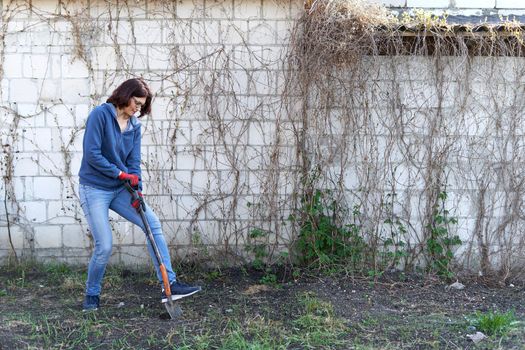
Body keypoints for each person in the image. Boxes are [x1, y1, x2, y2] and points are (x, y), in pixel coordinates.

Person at [78, 78, 201, 311]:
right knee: (104, 245)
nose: (138, 108)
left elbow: (133, 163)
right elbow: (92, 155)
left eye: (142, 106)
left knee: (152, 224)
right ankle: (92, 295)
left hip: (119, 188)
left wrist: (138, 190)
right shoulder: (100, 116)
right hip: (93, 188)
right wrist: (121, 175)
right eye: (136, 102)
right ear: (124, 96)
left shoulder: (134, 126)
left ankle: (170, 285)